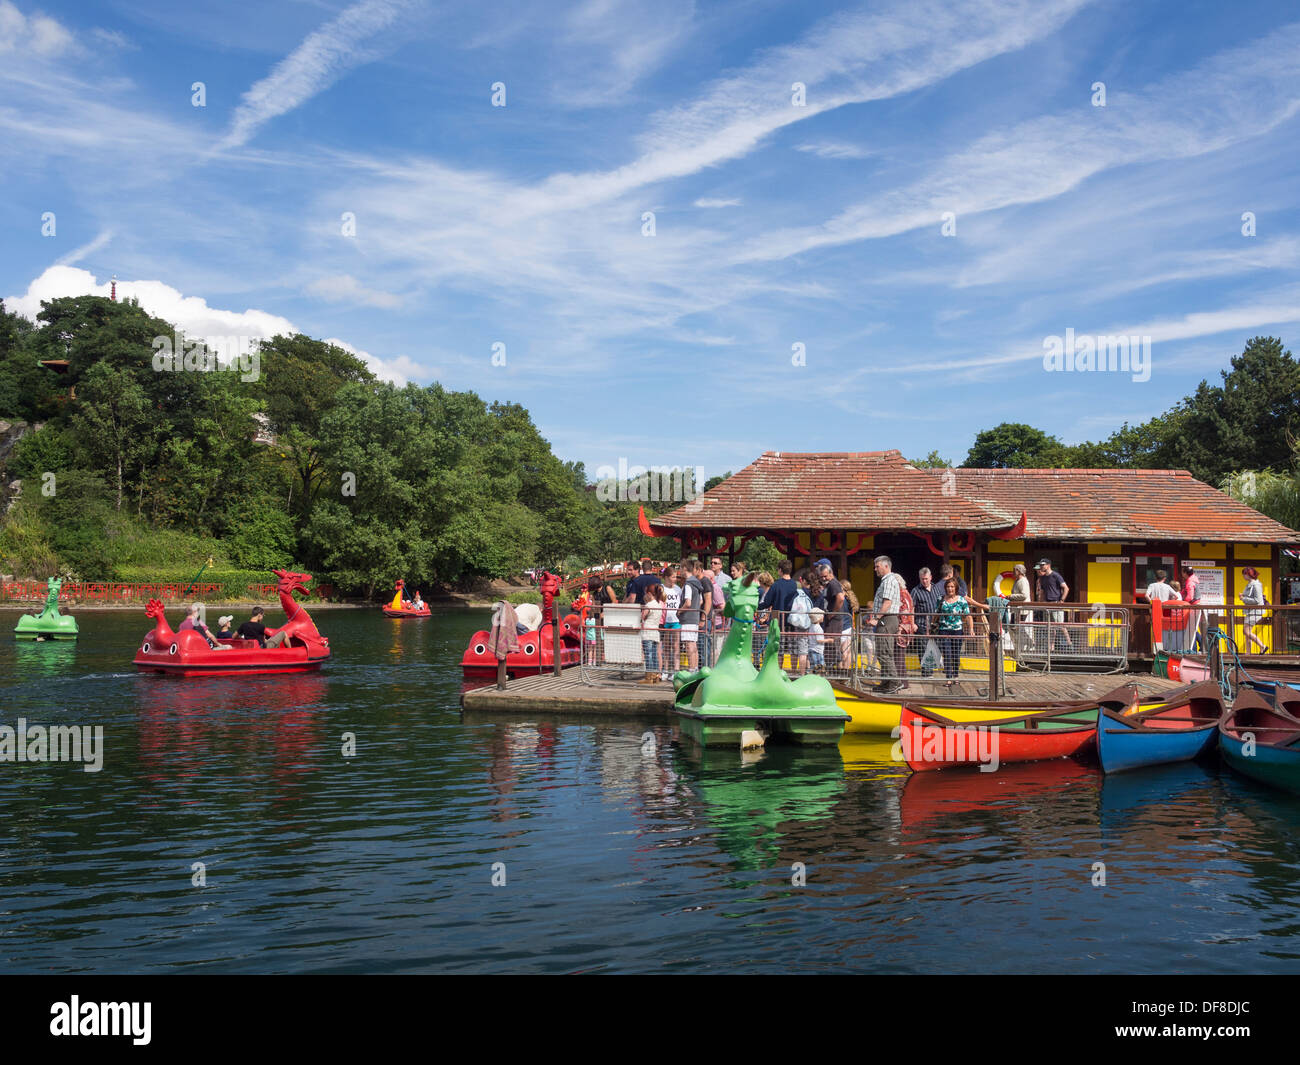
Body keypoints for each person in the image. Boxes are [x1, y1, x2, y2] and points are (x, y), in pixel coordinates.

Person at [866, 555, 904, 693]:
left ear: (886, 566)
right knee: (883, 651)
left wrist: (876, 617)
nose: (875, 569)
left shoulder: (888, 581)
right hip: (888, 619)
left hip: (887, 619)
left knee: (884, 653)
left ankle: (894, 682)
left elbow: (887, 603)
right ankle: (886, 682)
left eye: (877, 566)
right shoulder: (888, 580)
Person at [934, 577, 971, 686]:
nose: (950, 589)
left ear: (956, 588)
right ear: (945, 588)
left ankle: (956, 676)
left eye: (952, 587)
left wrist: (971, 629)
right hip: (944, 630)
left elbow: (968, 615)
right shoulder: (940, 599)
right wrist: (930, 627)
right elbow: (936, 614)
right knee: (947, 654)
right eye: (948, 587)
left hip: (957, 631)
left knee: (956, 654)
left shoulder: (961, 600)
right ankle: (948, 678)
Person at [1035, 559, 1073, 651]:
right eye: (1040, 565)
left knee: (1060, 624)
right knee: (1050, 626)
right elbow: (1042, 591)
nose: (1041, 567)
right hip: (1046, 604)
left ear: (1048, 565)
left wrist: (1062, 600)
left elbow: (1066, 588)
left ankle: (1070, 644)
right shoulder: (1043, 578)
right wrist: (1041, 603)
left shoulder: (1056, 575)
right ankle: (1051, 647)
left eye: (1043, 565)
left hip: (1056, 602)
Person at [816, 558, 846, 669]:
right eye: (821, 577)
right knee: (833, 646)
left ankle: (838, 671)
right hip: (833, 619)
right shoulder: (829, 584)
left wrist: (833, 612)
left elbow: (841, 598)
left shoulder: (833, 584)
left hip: (834, 620)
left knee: (832, 645)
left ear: (831, 573)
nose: (824, 579)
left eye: (825, 576)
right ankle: (838, 670)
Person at [679, 562, 706, 670]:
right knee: (693, 644)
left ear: (685, 568)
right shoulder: (697, 584)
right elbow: (700, 601)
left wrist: (679, 611)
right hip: (695, 617)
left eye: (681, 568)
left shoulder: (688, 584)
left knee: (689, 644)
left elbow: (688, 602)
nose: (680, 571)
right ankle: (695, 668)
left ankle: (691, 669)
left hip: (688, 618)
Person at [660, 566, 683, 679]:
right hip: (665, 620)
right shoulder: (661, 588)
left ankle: (676, 671)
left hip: (676, 620)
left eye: (675, 577)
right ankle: (665, 670)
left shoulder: (678, 589)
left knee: (676, 646)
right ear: (667, 577)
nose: (675, 579)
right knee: (666, 646)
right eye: (673, 577)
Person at [639, 583, 665, 684]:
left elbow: (643, 616)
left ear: (649, 594)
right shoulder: (659, 605)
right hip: (655, 632)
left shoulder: (649, 605)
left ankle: (648, 677)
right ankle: (655, 676)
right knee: (654, 654)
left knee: (648, 655)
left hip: (648, 632)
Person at [1240, 566, 1268, 654]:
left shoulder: (1255, 585)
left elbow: (1257, 600)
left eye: (1244, 574)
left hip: (1255, 612)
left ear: (1249, 574)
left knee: (1246, 631)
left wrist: (1243, 598)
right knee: (1247, 634)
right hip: (1250, 611)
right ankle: (1248, 653)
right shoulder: (1250, 584)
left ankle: (1262, 646)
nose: (1243, 576)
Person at [1181, 564, 1202, 652]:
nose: (1182, 574)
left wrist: (1182, 602)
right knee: (1194, 628)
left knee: (1192, 628)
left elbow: (1190, 596)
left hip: (1194, 606)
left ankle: (1198, 647)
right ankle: (1202, 646)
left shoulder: (1190, 582)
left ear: (1185, 573)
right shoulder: (1193, 580)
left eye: (1182, 572)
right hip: (1197, 605)